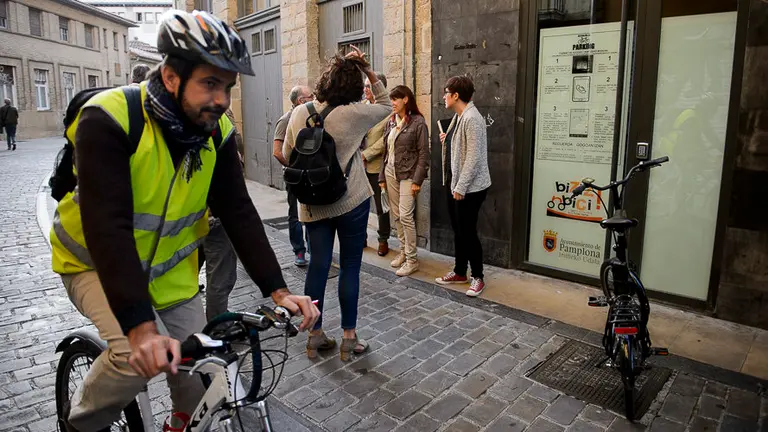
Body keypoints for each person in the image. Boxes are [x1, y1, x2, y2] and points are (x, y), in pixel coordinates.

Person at [49, 11, 319, 431]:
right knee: (129, 359)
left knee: (203, 379)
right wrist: (140, 329)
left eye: (227, 87)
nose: (222, 100)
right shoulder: (110, 118)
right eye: (209, 84)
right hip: (95, 264)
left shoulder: (216, 131)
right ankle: (80, 424)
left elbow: (239, 212)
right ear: (172, 77)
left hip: (171, 274)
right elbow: (109, 227)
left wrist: (278, 290)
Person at [283, 46, 391, 361]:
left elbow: (290, 152)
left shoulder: (299, 113)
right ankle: (349, 339)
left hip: (313, 205)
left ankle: (315, 336)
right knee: (350, 267)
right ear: (356, 88)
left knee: (318, 265)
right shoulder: (356, 113)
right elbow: (385, 104)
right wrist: (368, 69)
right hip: (350, 200)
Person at [435, 75, 492, 297]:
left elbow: (474, 157)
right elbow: (462, 146)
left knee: (468, 232)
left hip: (471, 188)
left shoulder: (472, 118)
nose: (444, 96)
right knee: (459, 231)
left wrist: (461, 187)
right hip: (457, 184)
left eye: (446, 92)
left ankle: (478, 277)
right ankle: (460, 272)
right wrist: (448, 139)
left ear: (456, 95)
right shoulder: (460, 117)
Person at [378, 85, 429, 277]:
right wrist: (382, 176)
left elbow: (424, 154)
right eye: (391, 99)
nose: (392, 103)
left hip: (409, 173)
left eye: (395, 99)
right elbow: (385, 151)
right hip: (391, 171)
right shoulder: (391, 122)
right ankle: (403, 251)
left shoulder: (418, 123)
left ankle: (412, 259)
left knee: (406, 215)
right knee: (397, 215)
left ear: (405, 100)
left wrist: (418, 179)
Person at [201, 108, 245, 321]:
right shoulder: (218, 121)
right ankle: (217, 327)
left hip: (197, 214)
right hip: (215, 214)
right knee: (221, 275)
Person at [274, 85, 314, 266]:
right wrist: (295, 168)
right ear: (301, 100)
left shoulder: (311, 117)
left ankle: (314, 248)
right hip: (295, 176)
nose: (314, 97)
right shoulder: (285, 120)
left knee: (312, 212)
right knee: (295, 214)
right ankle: (299, 250)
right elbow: (277, 151)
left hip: (311, 175)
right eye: (310, 96)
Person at [361, 73, 392, 256]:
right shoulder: (362, 107)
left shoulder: (388, 110)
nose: (365, 89)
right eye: (364, 86)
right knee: (360, 204)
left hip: (376, 166)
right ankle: (361, 237)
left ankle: (383, 239)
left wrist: (366, 155)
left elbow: (384, 140)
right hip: (359, 166)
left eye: (369, 86)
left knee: (381, 206)